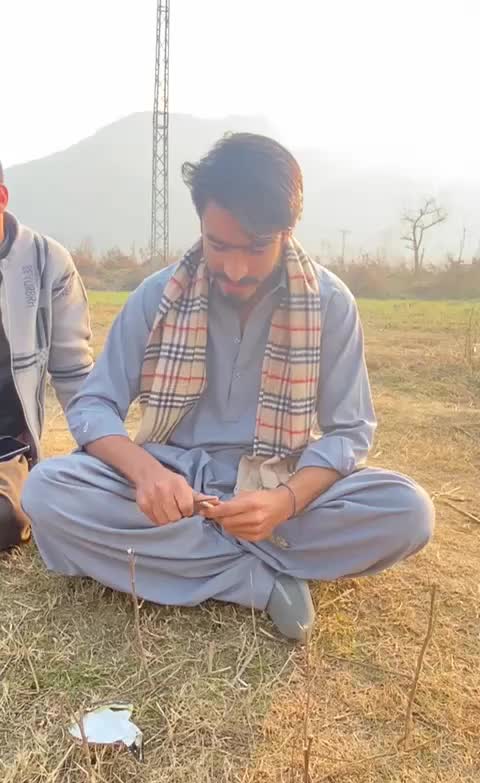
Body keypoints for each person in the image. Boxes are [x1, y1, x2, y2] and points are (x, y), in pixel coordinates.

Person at [22, 134, 434, 641]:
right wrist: (148, 474)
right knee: (46, 491)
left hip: (279, 480)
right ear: (201, 225)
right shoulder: (157, 295)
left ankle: (185, 558)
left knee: (408, 511)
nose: (235, 269)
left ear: (287, 231)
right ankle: (258, 580)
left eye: (256, 248)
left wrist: (283, 503)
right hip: (176, 486)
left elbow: (349, 432)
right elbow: (95, 404)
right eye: (218, 246)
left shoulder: (330, 303)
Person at [0, 160, 93, 550]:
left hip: (5, 445)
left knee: (5, 516)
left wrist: (106, 452)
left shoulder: (47, 262)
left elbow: (75, 373)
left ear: (2, 198)